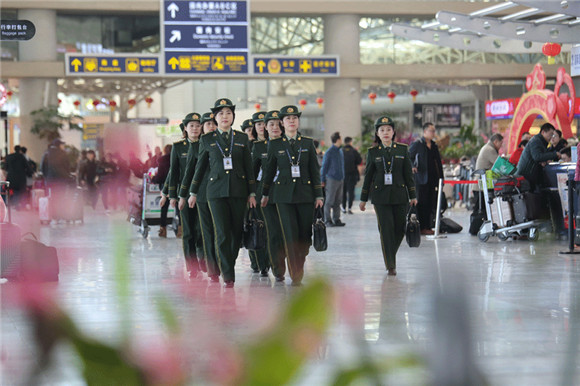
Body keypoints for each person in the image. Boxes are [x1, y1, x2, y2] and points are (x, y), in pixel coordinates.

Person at [188, 98, 256, 288]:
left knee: (235, 233)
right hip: (215, 192)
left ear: (233, 117)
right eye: (220, 114)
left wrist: (252, 192)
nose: (224, 117)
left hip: (239, 190)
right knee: (222, 233)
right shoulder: (207, 139)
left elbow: (248, 168)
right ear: (215, 118)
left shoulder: (242, 139)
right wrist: (193, 192)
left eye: (228, 113)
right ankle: (228, 275)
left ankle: (228, 263)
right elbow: (200, 168)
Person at [261, 105, 324, 286]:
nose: (291, 121)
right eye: (288, 119)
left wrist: (318, 195)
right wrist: (265, 194)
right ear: (282, 123)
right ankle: (296, 274)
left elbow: (315, 170)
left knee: (304, 236)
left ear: (298, 121)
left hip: (306, 194)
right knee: (289, 235)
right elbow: (269, 171)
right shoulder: (275, 144)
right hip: (283, 196)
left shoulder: (307, 143)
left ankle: (299, 264)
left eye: (294, 118)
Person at [359, 116, 417, 276]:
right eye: (382, 130)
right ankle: (390, 264)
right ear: (377, 133)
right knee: (385, 230)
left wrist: (413, 195)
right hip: (380, 197)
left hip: (400, 195)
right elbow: (368, 176)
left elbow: (408, 175)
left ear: (393, 132)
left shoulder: (402, 149)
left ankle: (390, 253)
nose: (385, 133)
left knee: (400, 229)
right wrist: (363, 199)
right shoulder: (372, 152)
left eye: (388, 130)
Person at [165, 113, 204, 277]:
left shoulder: (206, 144)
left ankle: (203, 260)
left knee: (202, 229)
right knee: (188, 231)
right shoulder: (178, 147)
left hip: (203, 193)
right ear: (185, 129)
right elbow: (173, 173)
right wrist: (172, 196)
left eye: (197, 125)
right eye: (191, 126)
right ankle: (192, 266)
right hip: (184, 194)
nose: (195, 129)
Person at [185, 112, 220, 282]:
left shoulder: (224, 143)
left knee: (220, 231)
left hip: (222, 194)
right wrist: (186, 194)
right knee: (204, 231)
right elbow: (190, 172)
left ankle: (219, 262)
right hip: (202, 194)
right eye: (207, 124)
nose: (211, 127)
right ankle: (210, 263)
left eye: (214, 123)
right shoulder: (196, 146)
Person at [258, 110, 287, 282]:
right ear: (265, 127)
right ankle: (277, 268)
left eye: (277, 124)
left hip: (287, 193)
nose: (275, 127)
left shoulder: (289, 145)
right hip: (266, 195)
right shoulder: (259, 147)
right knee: (274, 232)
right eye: (271, 124)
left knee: (288, 232)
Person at [408, 122, 443, 235]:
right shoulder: (418, 144)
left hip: (433, 179)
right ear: (425, 132)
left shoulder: (434, 145)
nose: (433, 133)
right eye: (431, 131)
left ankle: (428, 226)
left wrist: (441, 178)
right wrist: (413, 166)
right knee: (422, 203)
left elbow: (438, 162)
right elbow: (408, 157)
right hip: (421, 179)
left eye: (434, 131)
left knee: (431, 203)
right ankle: (422, 227)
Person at [249, 110, 271, 276]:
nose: (262, 127)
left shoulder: (277, 143)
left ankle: (272, 262)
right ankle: (260, 263)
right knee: (258, 228)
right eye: (258, 124)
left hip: (276, 192)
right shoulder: (254, 146)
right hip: (257, 192)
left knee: (273, 230)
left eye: (265, 123)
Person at [516, 123, 561, 190]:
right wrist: (554, 154)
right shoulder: (536, 141)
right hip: (525, 178)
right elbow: (537, 157)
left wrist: (544, 160)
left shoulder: (541, 142)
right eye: (550, 134)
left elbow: (539, 157)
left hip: (530, 177)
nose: (551, 137)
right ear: (543, 132)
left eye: (553, 135)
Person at [472, 133, 504, 218]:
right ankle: (475, 229)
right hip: (481, 187)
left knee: (482, 210)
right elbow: (499, 162)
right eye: (501, 144)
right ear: (496, 141)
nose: (501, 146)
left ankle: (477, 229)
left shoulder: (488, 148)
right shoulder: (489, 149)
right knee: (479, 211)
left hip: (483, 185)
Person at [320, 131, 345, 227]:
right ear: (338, 140)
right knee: (329, 200)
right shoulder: (329, 152)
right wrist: (322, 180)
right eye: (341, 139)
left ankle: (336, 219)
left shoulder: (340, 151)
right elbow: (324, 166)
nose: (341, 140)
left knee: (338, 201)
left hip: (340, 179)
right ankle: (327, 220)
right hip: (331, 179)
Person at [154, 144, 172, 237]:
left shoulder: (162, 160)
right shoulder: (176, 159)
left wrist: (154, 179)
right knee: (178, 209)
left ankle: (163, 230)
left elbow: (160, 176)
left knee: (164, 208)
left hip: (165, 187)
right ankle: (181, 230)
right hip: (175, 186)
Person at [342, 136, 362, 214]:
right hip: (352, 175)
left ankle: (343, 208)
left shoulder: (341, 151)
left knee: (343, 192)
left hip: (343, 175)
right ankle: (349, 208)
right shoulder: (354, 151)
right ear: (350, 142)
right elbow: (359, 161)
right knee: (351, 192)